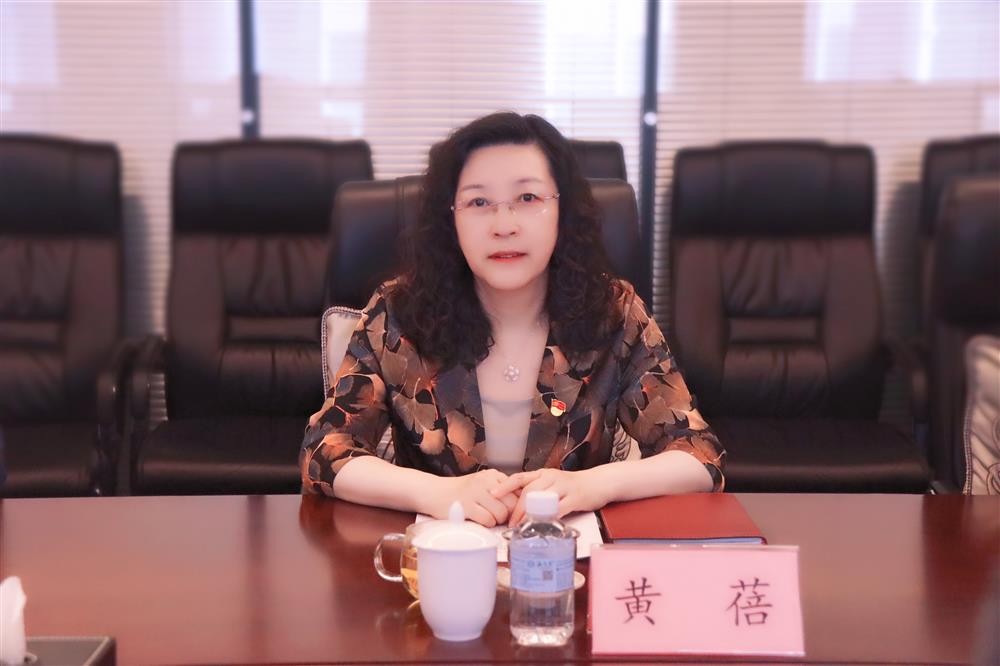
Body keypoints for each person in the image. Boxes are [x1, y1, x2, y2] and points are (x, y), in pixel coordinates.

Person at [300, 112, 725, 527]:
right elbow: (324, 452)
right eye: (478, 202)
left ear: (562, 210)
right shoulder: (398, 313)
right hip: (439, 560)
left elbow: (699, 456)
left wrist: (594, 485)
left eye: (528, 198)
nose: (504, 225)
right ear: (451, 218)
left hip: (566, 561)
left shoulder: (613, 311)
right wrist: (436, 493)